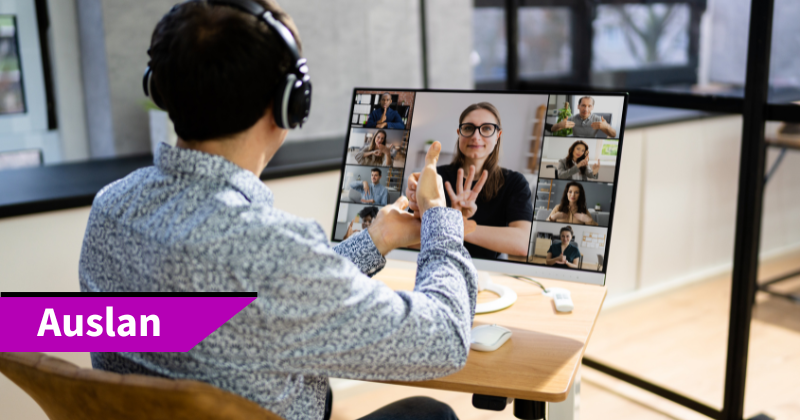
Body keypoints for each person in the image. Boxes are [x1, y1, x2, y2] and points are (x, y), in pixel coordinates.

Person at [78, 2, 476, 420]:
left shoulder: (110, 208)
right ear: (290, 103)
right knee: (431, 414)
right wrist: (438, 218)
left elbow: (269, 302)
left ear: (159, 88)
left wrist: (377, 240)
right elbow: (445, 341)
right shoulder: (270, 250)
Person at [406, 102, 533, 260]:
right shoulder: (435, 176)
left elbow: (522, 243)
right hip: (439, 262)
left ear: (498, 136)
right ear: (459, 133)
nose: (476, 136)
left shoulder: (515, 182)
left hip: (488, 269)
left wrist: (456, 225)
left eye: (486, 128)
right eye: (468, 128)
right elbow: (408, 239)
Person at [549, 96, 617, 138]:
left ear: (592, 107)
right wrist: (559, 125)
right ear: (578, 106)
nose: (586, 109)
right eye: (583, 105)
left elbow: (613, 135)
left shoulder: (598, 119)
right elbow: (552, 129)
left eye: (589, 106)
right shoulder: (572, 118)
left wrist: (607, 126)